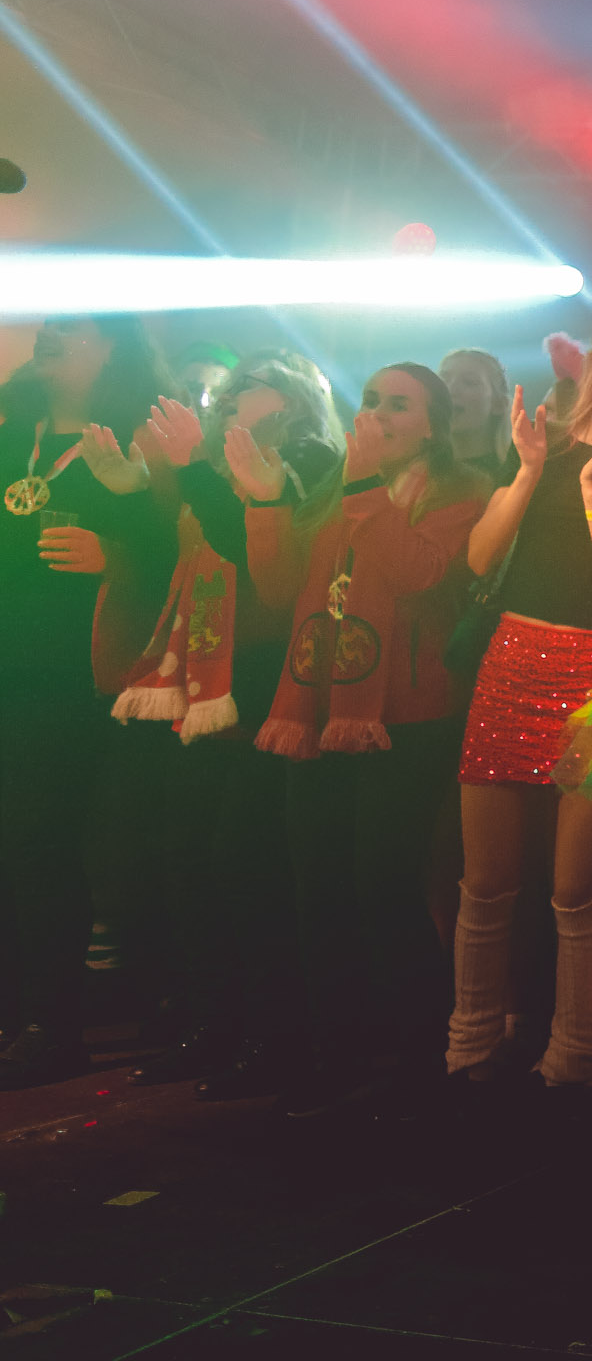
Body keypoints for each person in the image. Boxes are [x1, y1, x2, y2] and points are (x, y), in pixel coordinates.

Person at [246, 362, 493, 1115]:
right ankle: (339, 1053)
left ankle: (417, 1058)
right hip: (317, 705)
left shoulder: (465, 492)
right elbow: (279, 590)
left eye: (399, 405)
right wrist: (264, 503)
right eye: (372, 400)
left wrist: (363, 487)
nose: (379, 413)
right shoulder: (336, 487)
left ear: (432, 425)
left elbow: (418, 574)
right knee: (317, 884)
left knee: (382, 884)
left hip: (407, 715)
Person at [115, 352, 343, 1096]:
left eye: (257, 390)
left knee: (246, 862)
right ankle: (215, 1024)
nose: (238, 399)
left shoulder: (311, 459)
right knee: (187, 853)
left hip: (269, 678)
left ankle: (276, 1037)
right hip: (210, 674)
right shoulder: (217, 466)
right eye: (236, 391)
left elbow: (258, 563)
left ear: (296, 402)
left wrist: (192, 471)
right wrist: (155, 481)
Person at [447, 322, 592, 1096]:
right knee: (486, 880)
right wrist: (533, 470)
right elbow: (479, 557)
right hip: (514, 660)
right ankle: (468, 1042)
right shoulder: (542, 448)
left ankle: (571, 1053)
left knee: (576, 888)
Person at [0, 317, 179, 1088]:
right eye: (49, 324)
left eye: (72, 328)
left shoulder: (139, 437)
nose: (50, 333)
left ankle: (56, 1024)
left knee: (54, 842)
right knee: (15, 845)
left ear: (112, 348)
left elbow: (189, 550)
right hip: (11, 666)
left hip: (88, 677)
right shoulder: (14, 432)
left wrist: (118, 554)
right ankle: (21, 1013)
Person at [440, 348, 511, 482]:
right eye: (443, 379)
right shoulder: (416, 470)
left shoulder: (515, 474)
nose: (449, 389)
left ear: (498, 404)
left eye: (469, 382)